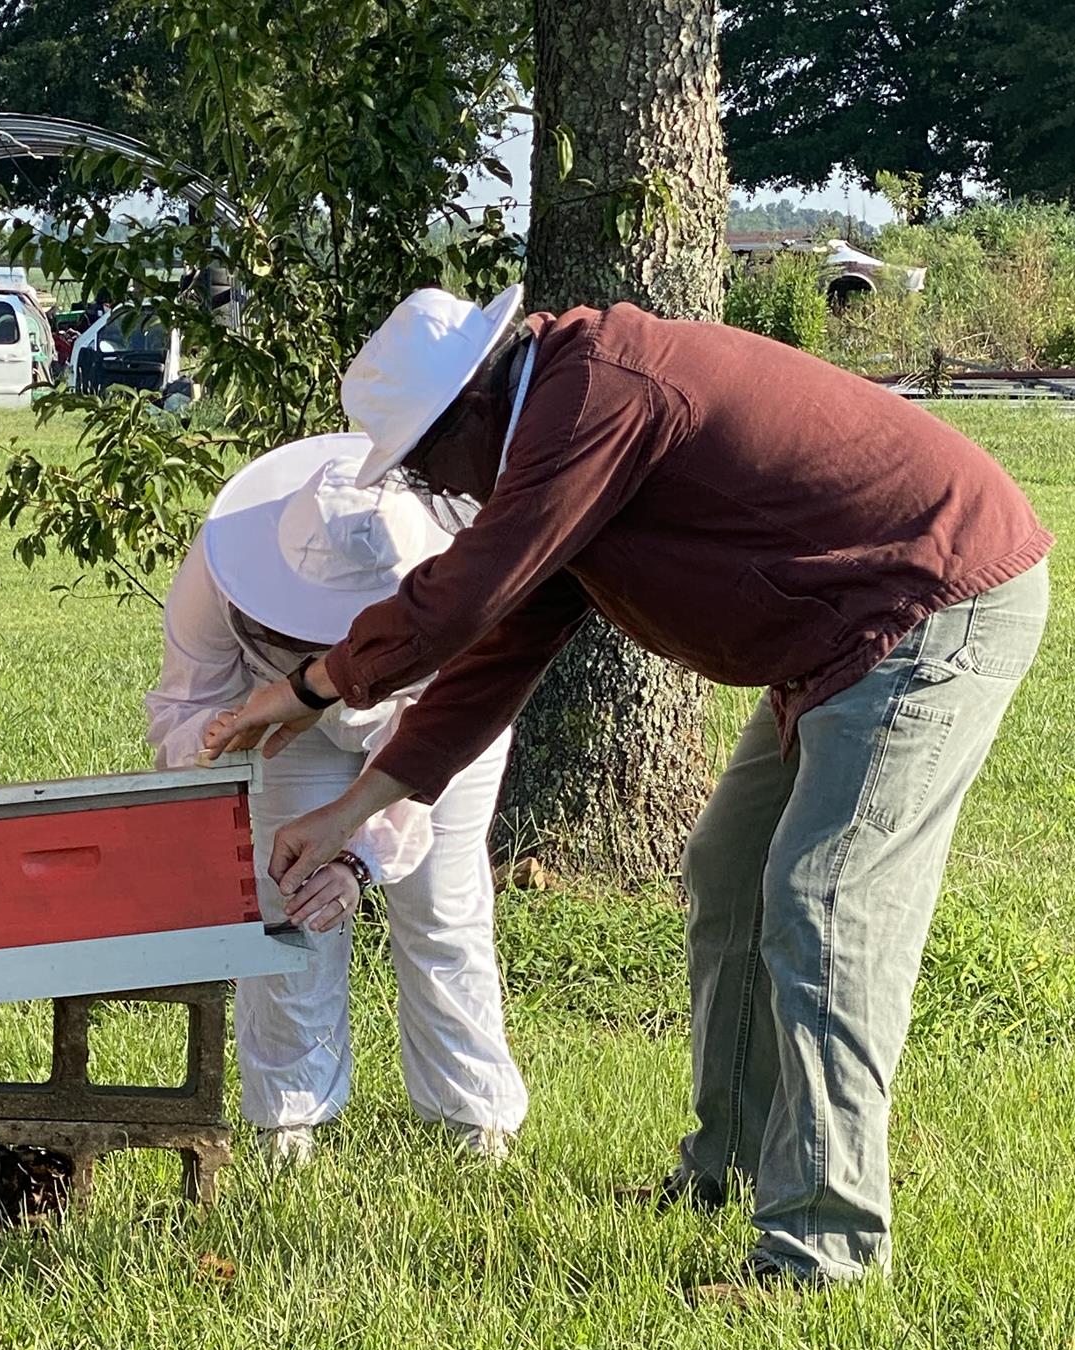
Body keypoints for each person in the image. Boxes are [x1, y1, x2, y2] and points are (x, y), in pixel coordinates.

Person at [201, 287, 1051, 1290]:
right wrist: (346, 814)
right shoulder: (562, 435)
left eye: (427, 463)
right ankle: (725, 1170)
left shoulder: (593, 395)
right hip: (838, 633)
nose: (434, 491)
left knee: (824, 904)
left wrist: (310, 684)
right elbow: (493, 651)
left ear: (473, 408)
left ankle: (827, 1248)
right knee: (731, 876)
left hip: (925, 604)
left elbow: (464, 593)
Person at [147, 432, 527, 1164]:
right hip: (282, 730)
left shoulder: (472, 571)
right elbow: (177, 707)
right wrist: (224, 733)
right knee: (289, 910)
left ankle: (473, 1119)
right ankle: (287, 1121)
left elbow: (435, 757)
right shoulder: (218, 563)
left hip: (437, 727)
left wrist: (356, 858)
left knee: (441, 909)